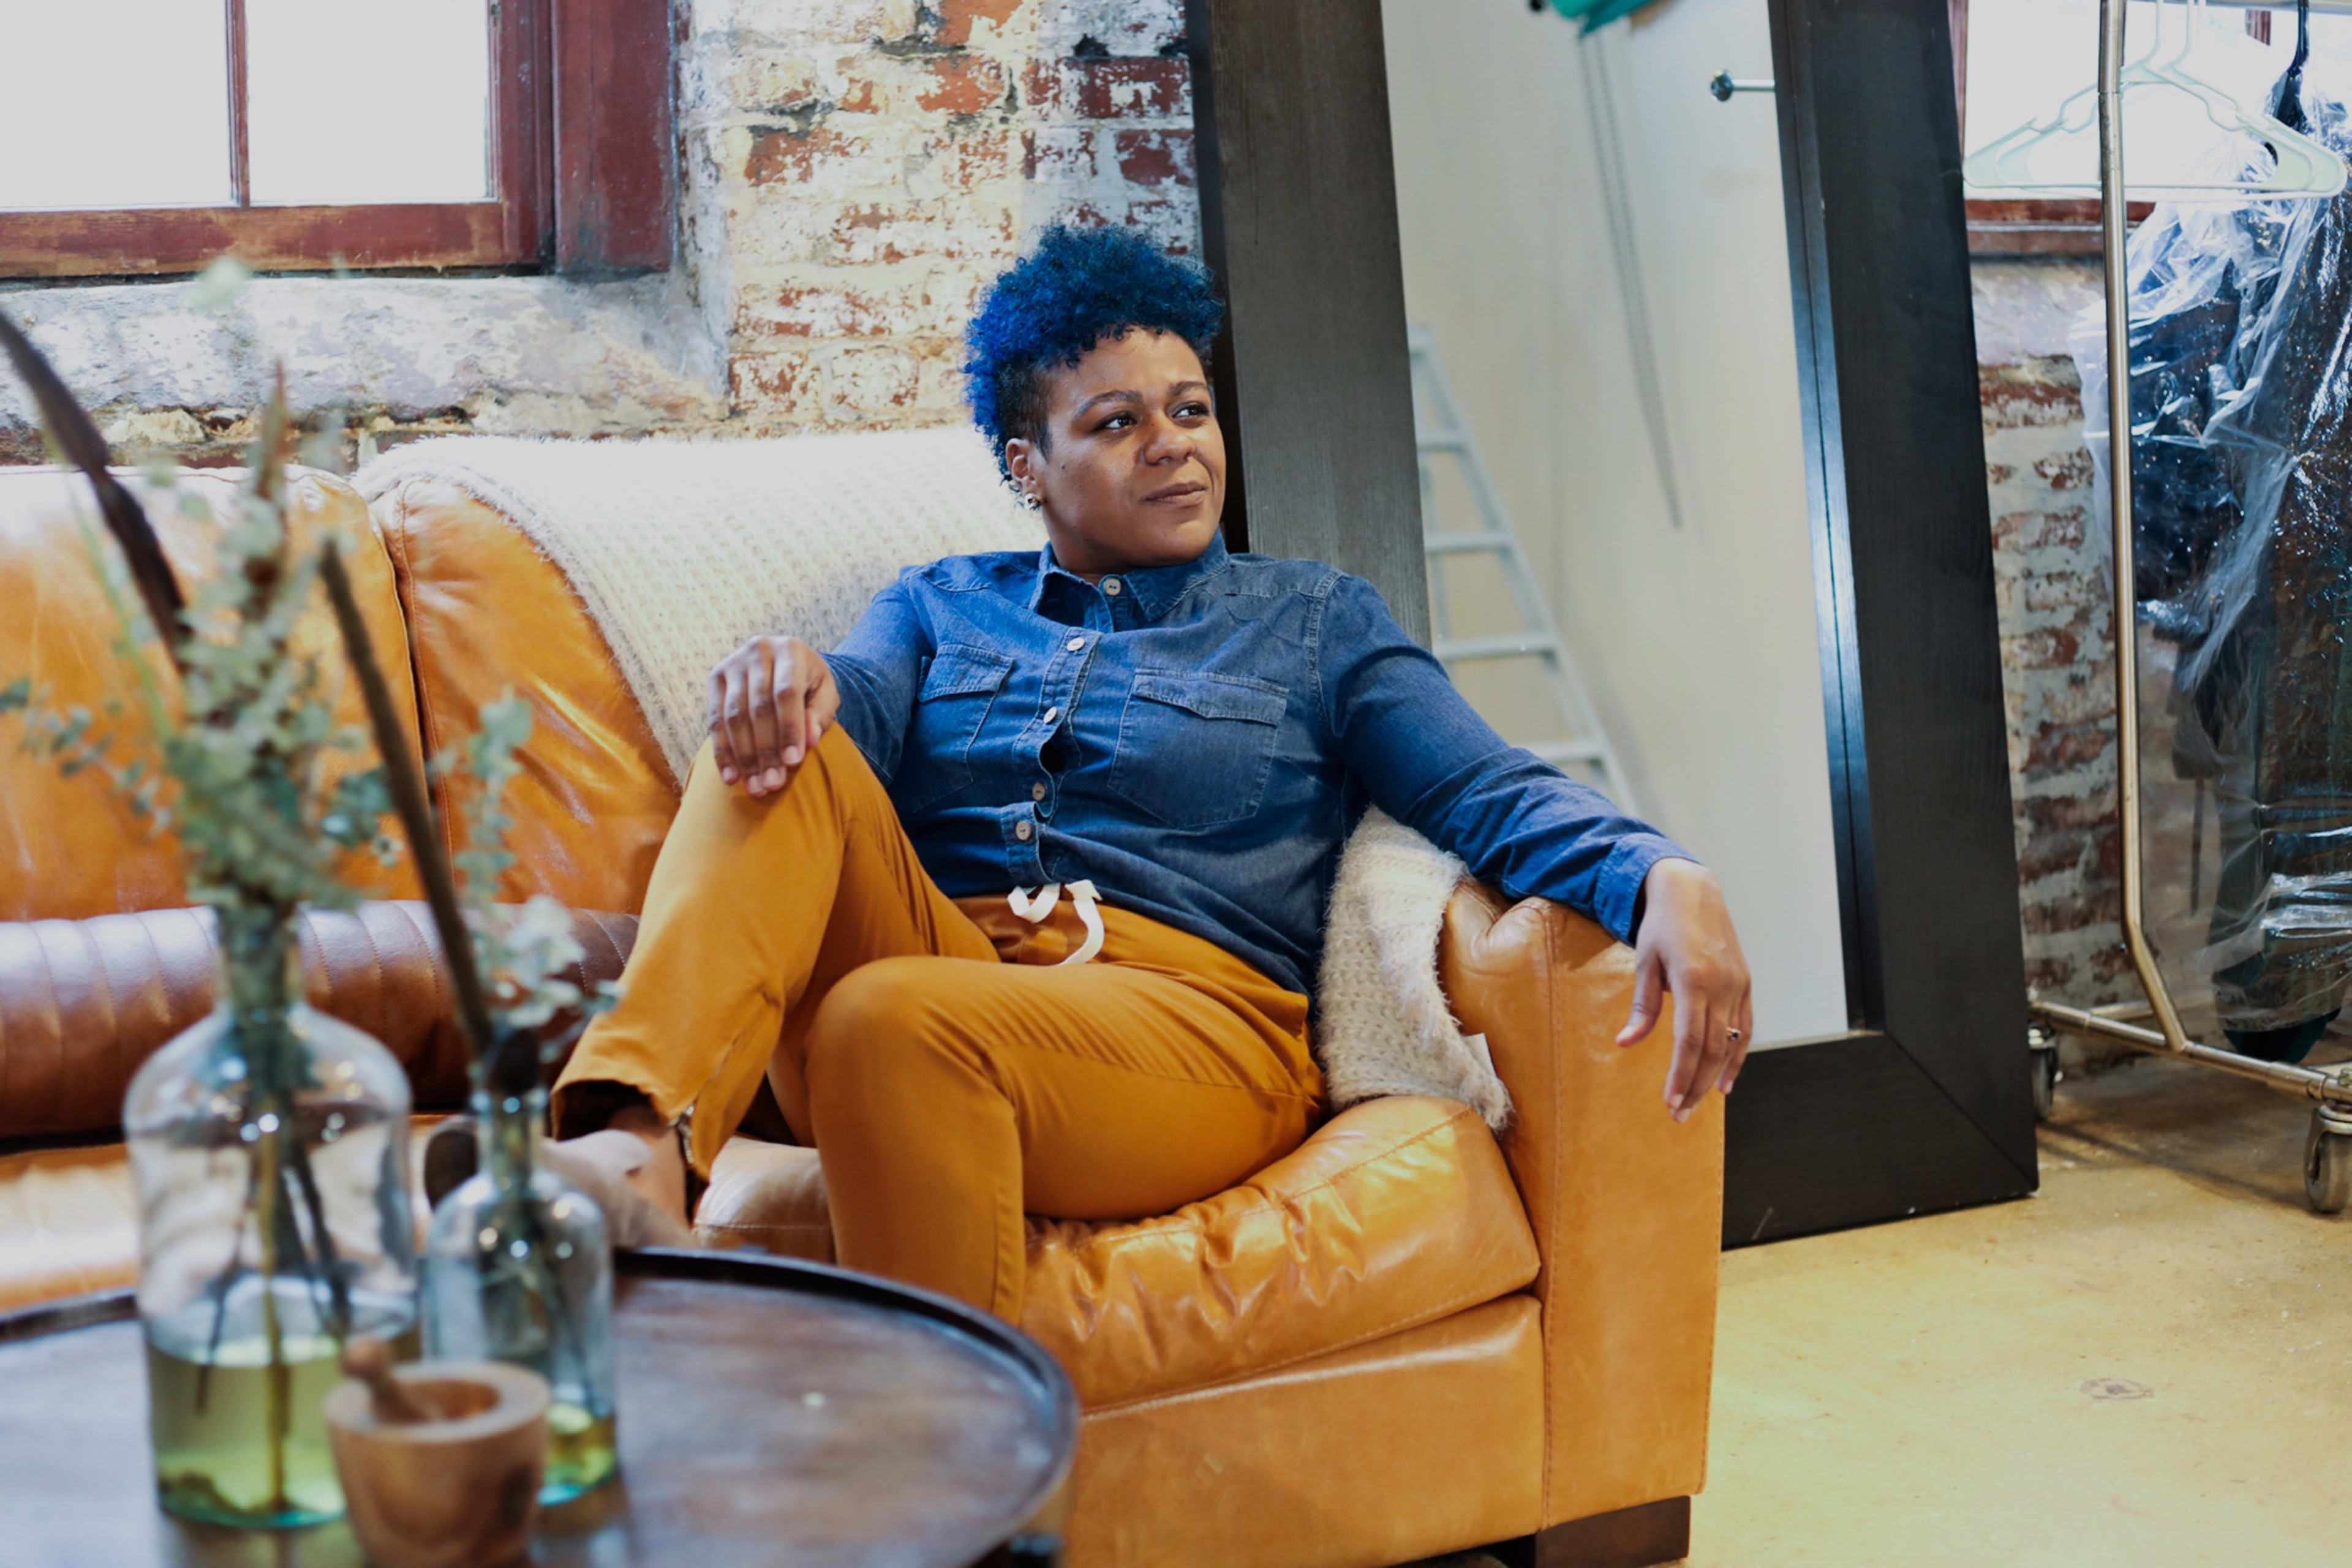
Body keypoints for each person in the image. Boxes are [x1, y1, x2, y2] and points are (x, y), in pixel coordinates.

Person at [545, 225, 1752, 1319]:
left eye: (1189, 410)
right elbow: (826, 747)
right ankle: (630, 1141)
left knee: (890, 1015)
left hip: (1190, 1029)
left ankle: (952, 1485)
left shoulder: (1316, 620)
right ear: (1029, 465)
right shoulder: (934, 605)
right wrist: (779, 677)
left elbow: (1482, 786)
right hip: (944, 965)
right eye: (1118, 423)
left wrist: (1659, 872)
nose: (1175, 445)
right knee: (773, 739)